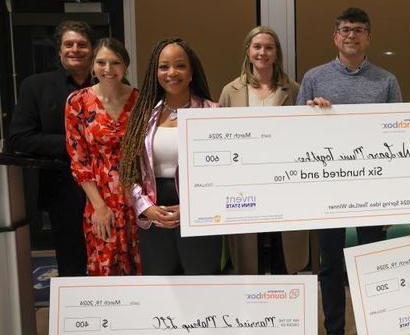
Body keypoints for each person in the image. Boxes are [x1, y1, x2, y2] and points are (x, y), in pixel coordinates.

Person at [296, 7, 401, 335]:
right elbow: (295, 133)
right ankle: (336, 330)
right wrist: (312, 113)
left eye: (358, 30)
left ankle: (376, 326)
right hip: (327, 188)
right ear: (335, 37)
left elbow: (398, 132)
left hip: (372, 189)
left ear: (368, 37)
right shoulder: (314, 78)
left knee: (372, 262)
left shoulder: (386, 81)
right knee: (329, 266)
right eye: (345, 30)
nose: (351, 35)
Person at [118, 38, 222, 275]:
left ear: (192, 72)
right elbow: (128, 171)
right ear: (155, 72)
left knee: (202, 281)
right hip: (154, 212)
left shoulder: (212, 112)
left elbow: (222, 176)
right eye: (164, 66)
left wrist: (191, 208)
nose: (171, 72)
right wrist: (145, 206)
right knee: (161, 285)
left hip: (199, 211)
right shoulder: (142, 115)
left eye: (180, 66)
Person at [219, 26, 309, 275]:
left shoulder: (293, 89)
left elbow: (304, 135)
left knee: (283, 257)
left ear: (276, 53)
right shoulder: (230, 92)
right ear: (248, 52)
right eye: (257, 47)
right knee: (252, 257)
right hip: (244, 187)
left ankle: (285, 311)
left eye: (269, 47)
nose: (263, 52)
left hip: (283, 184)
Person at [8, 20, 94, 276]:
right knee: (72, 264)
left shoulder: (111, 85)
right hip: (63, 190)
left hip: (108, 188)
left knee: (112, 261)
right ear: (59, 51)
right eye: (69, 44)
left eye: (82, 44)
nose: (75, 49)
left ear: (92, 49)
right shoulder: (35, 86)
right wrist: (75, 144)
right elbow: (19, 138)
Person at [65, 38, 141, 275]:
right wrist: (99, 206)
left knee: (142, 269)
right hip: (100, 201)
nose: (108, 69)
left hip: (137, 199)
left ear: (125, 67)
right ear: (93, 66)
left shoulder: (140, 101)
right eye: (101, 62)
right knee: (105, 269)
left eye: (115, 62)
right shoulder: (77, 102)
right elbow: (78, 160)